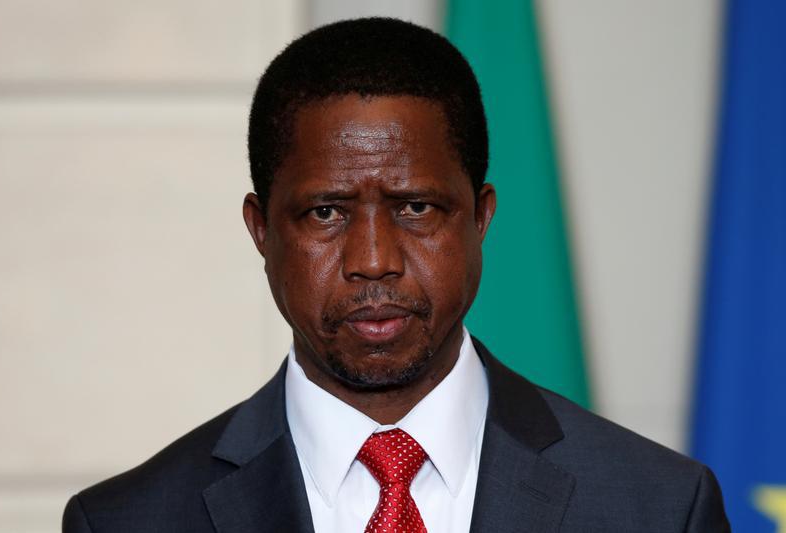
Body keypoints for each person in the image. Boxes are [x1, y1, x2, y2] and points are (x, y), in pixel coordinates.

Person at [62, 17, 729, 532]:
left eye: (416, 207)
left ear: (481, 218)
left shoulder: (660, 508)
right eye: (326, 211)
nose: (374, 258)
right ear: (261, 230)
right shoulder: (130, 520)